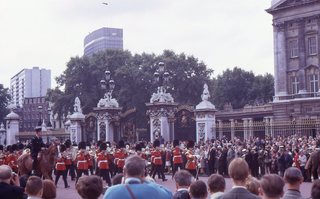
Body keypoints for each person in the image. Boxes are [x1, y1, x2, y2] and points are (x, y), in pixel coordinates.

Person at [103, 155, 172, 199]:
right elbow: (169, 194)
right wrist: (147, 181)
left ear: (124, 171)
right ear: (143, 172)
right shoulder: (155, 190)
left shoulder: (111, 191)